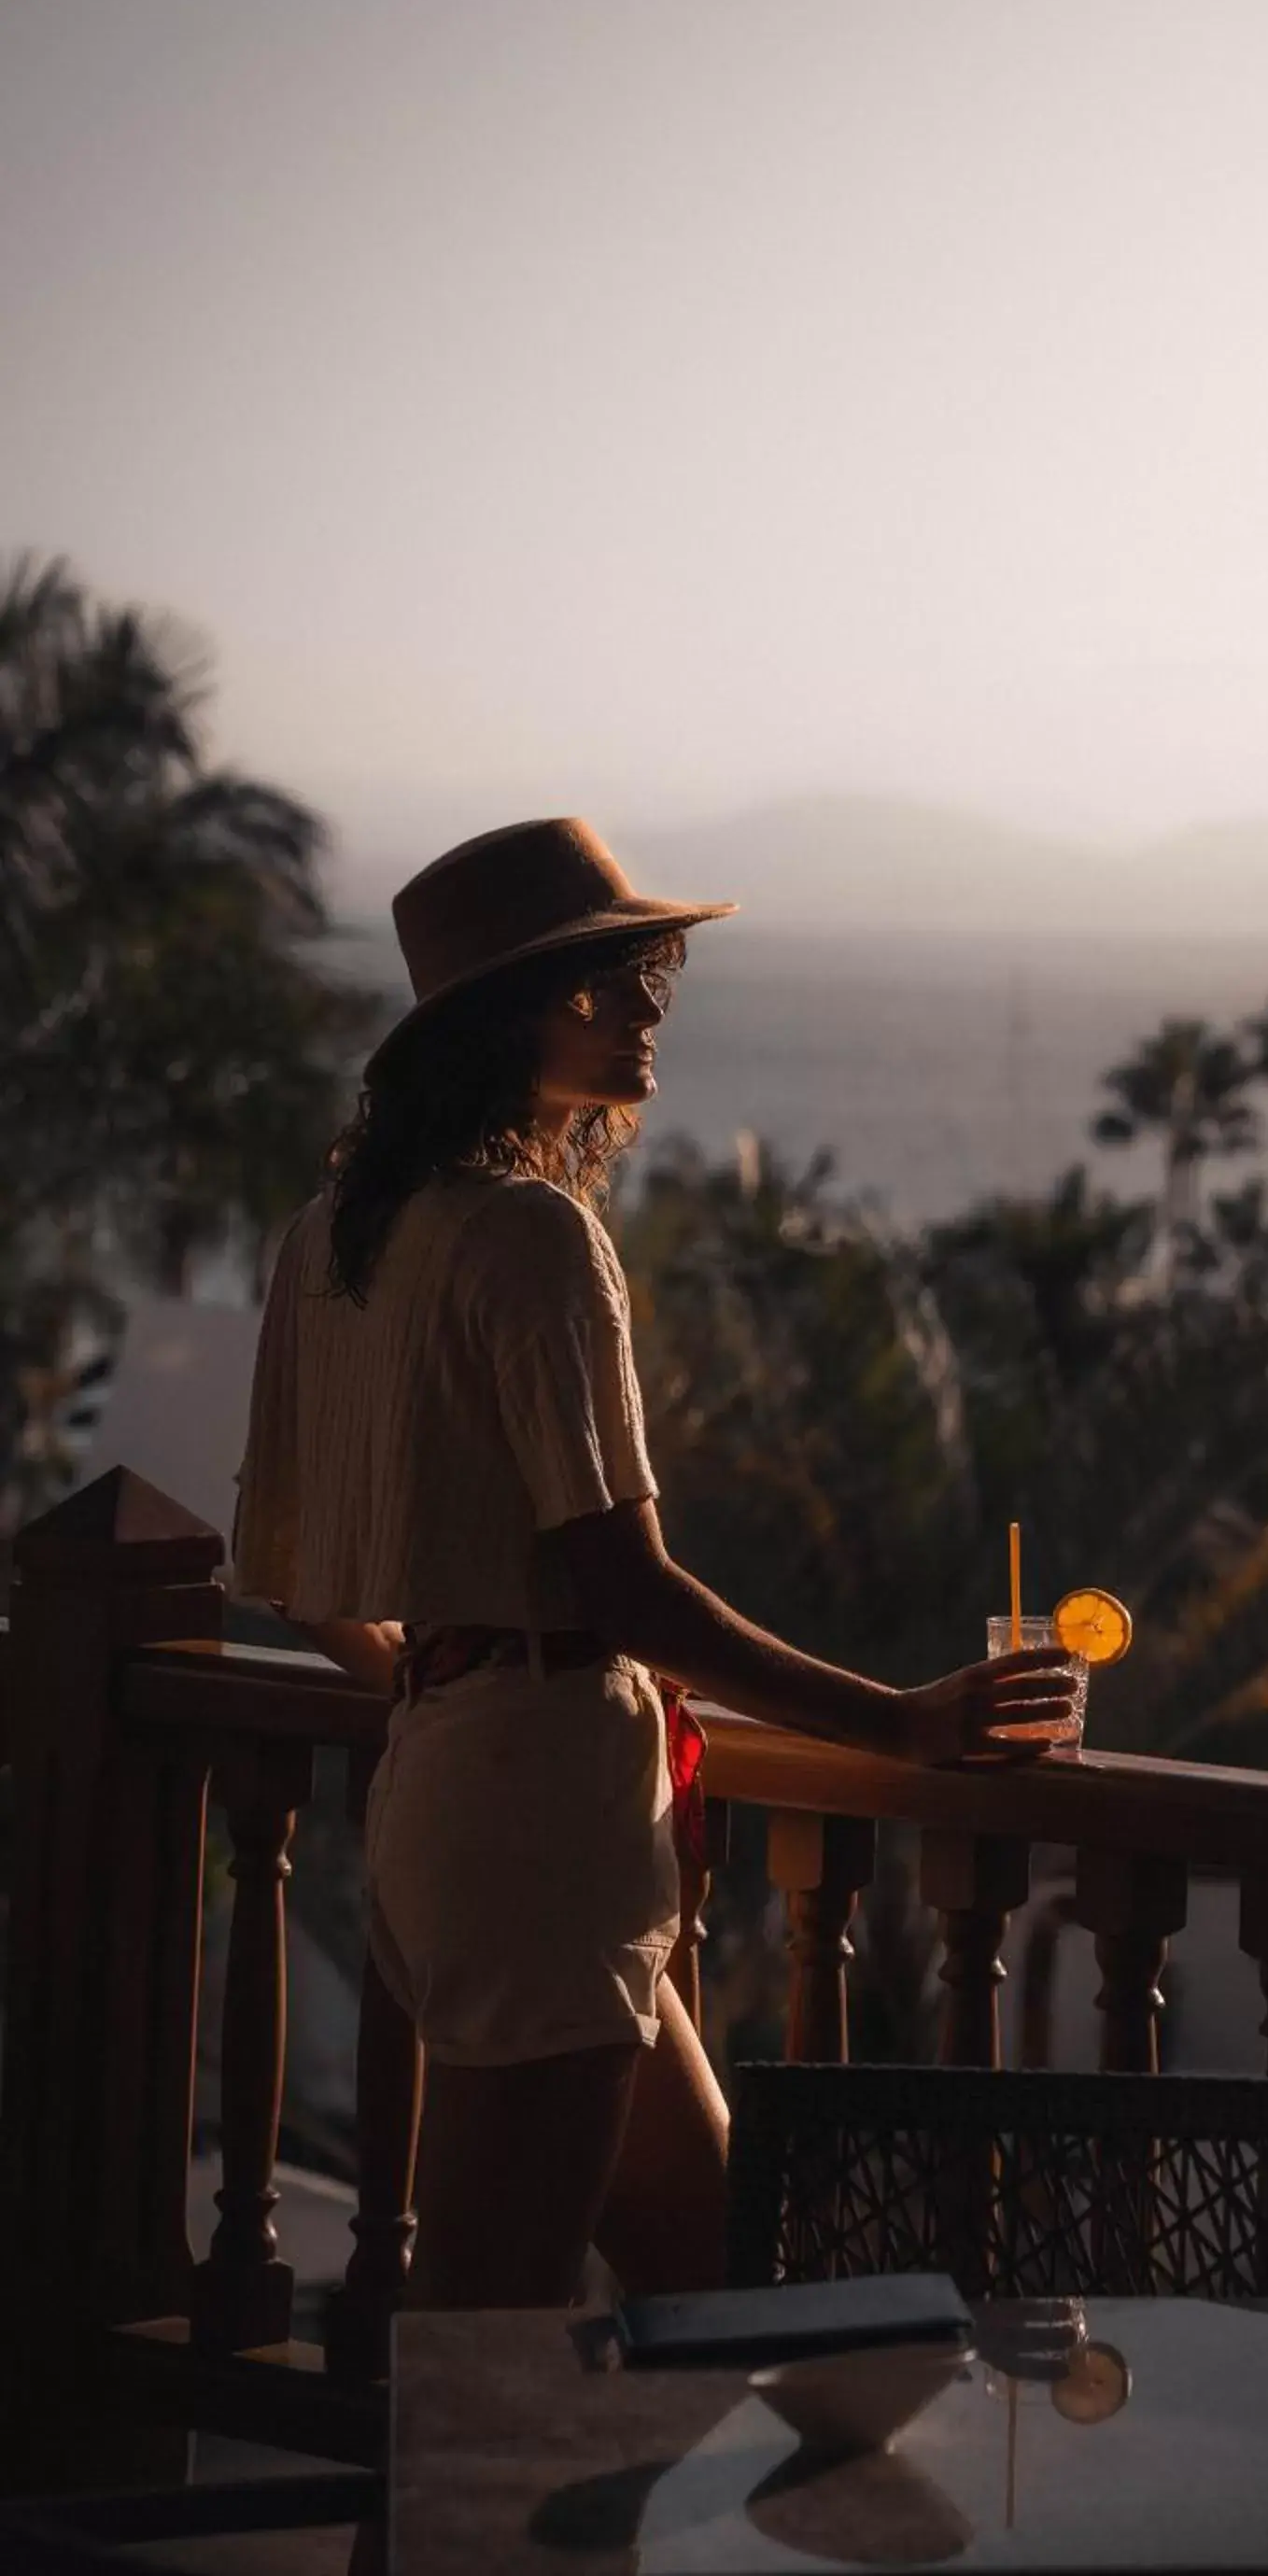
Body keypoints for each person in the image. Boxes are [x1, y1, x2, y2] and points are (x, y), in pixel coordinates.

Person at [232, 816, 1078, 2318]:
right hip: (546, 1806)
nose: (647, 1011)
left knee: (708, 2265)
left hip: (448, 1783)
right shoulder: (534, 1237)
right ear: (511, 1020)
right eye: (605, 985)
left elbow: (302, 1580)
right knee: (492, 2327)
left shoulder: (332, 1239)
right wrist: (903, 1722)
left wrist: (445, 1688)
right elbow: (627, 1589)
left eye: (647, 978)